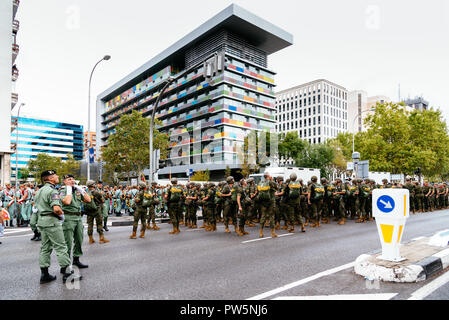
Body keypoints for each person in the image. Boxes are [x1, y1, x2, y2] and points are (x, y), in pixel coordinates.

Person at [34, 170, 81, 284]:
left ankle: (44, 274)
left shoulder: (39, 191)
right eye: (55, 176)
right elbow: (56, 208)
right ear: (50, 178)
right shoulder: (52, 191)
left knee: (45, 248)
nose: (57, 177)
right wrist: (61, 215)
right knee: (61, 247)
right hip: (52, 221)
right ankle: (67, 274)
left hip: (42, 221)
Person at [59, 174, 90, 269]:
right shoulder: (62, 191)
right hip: (68, 218)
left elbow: (88, 200)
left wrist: (82, 191)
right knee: (67, 242)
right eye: (69, 179)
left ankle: (76, 260)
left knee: (79, 240)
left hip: (78, 218)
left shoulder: (77, 191)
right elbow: (67, 202)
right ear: (64, 181)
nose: (72, 181)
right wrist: (69, 190)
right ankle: (65, 265)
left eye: (73, 179)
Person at [257, 172, 278, 238]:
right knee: (271, 217)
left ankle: (261, 232)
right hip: (271, 201)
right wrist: (272, 180)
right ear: (268, 176)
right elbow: (276, 187)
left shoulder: (261, 182)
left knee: (263, 216)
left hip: (263, 202)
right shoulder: (271, 182)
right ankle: (273, 233)